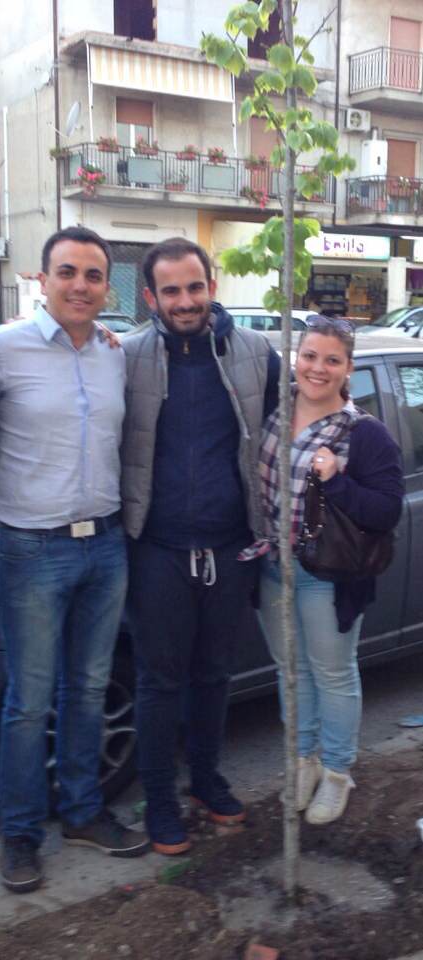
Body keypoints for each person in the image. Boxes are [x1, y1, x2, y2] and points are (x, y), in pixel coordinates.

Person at [0, 226, 149, 894]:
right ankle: (20, 836)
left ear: (107, 285)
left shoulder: (117, 354)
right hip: (30, 548)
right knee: (27, 702)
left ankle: (82, 812)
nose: (80, 285)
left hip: (105, 544)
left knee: (86, 689)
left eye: (92, 274)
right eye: (67, 272)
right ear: (42, 279)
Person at [120, 238, 280, 855]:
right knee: (160, 683)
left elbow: (299, 416)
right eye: (171, 291)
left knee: (215, 675)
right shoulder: (127, 357)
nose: (185, 301)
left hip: (232, 547)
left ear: (211, 286)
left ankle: (207, 780)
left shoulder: (256, 354)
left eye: (194, 287)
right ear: (153, 297)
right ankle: (160, 798)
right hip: (156, 550)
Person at [255, 316, 403, 824]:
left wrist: (336, 480)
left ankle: (337, 772)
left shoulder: (364, 434)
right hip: (273, 566)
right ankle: (305, 760)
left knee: (333, 674)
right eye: (310, 356)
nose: (318, 368)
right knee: (290, 672)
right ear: (295, 358)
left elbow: (386, 510)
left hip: (329, 575)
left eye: (332, 360)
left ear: (348, 369)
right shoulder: (273, 412)